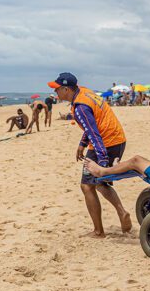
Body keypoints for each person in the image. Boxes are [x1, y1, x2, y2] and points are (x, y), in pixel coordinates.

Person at [48, 72, 132, 238]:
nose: (55, 92)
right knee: (99, 183)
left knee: (87, 185)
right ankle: (121, 213)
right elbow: (93, 124)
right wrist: (82, 144)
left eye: (57, 89)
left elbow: (94, 133)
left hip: (105, 144)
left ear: (66, 89)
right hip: (118, 140)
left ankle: (99, 231)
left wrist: (101, 163)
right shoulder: (85, 92)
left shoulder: (80, 107)